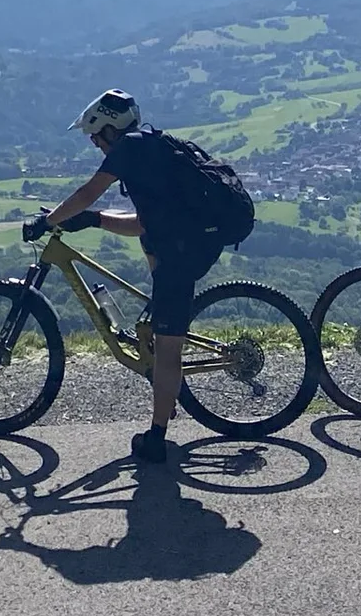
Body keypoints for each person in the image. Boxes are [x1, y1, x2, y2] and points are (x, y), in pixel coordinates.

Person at [24, 89, 225, 465]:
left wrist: (49, 220)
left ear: (108, 129)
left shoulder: (129, 150)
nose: (95, 144)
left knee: (168, 350)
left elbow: (88, 192)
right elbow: (143, 224)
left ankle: (157, 439)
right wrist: (95, 220)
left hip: (182, 252)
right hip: (178, 243)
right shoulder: (150, 147)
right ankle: (165, 391)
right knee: (161, 335)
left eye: (95, 137)